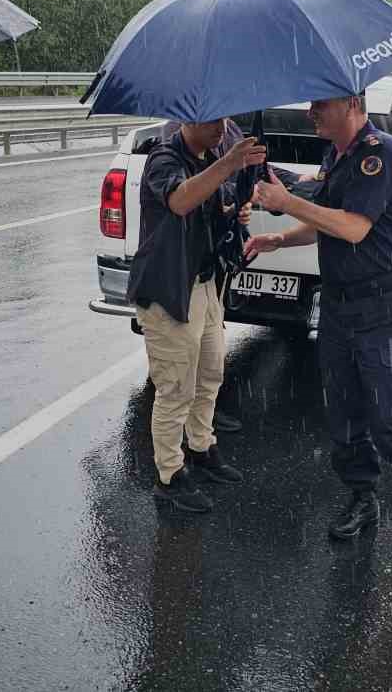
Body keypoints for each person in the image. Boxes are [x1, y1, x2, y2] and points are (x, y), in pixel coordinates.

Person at [245, 94, 392, 557]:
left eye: (322, 104)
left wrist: (287, 203)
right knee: (344, 416)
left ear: (353, 103)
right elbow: (329, 224)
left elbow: (355, 227)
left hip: (387, 307)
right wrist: (278, 237)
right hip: (340, 306)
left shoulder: (382, 153)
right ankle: (362, 497)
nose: (311, 113)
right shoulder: (334, 157)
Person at [128, 117, 265, 513]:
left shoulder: (212, 154)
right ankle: (169, 475)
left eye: (224, 120)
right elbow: (180, 200)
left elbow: (212, 207)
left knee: (210, 374)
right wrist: (229, 164)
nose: (222, 129)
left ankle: (202, 447)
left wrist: (233, 212)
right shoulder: (164, 157)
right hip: (169, 290)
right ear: (188, 119)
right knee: (175, 388)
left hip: (204, 285)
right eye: (211, 121)